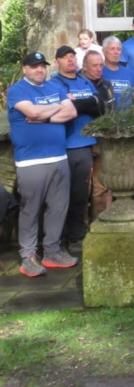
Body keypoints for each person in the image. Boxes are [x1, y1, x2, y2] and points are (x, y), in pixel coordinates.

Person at [7, 51, 79, 277]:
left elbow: (72, 111)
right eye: (34, 66)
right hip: (31, 161)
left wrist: (45, 116)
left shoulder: (54, 86)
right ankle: (28, 255)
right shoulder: (18, 90)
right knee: (30, 209)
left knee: (58, 208)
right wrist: (56, 108)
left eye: (42, 66)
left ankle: (52, 251)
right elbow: (32, 111)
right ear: (25, 69)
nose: (40, 70)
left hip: (59, 157)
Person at [50, 45, 102, 247]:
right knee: (63, 194)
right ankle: (60, 237)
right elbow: (62, 108)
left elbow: (100, 106)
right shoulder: (54, 83)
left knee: (81, 193)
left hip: (86, 143)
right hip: (65, 145)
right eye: (65, 57)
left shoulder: (84, 81)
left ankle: (77, 234)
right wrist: (87, 102)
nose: (70, 60)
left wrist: (78, 102)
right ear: (57, 62)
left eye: (72, 56)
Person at [79, 50, 116, 220]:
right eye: (95, 65)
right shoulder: (78, 84)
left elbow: (111, 111)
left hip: (103, 141)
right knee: (83, 187)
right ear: (85, 67)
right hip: (82, 142)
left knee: (102, 186)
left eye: (101, 65)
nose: (99, 68)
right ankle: (82, 226)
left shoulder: (107, 85)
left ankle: (99, 222)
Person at [101, 36, 134, 111]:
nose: (116, 52)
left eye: (119, 49)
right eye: (112, 49)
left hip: (127, 120)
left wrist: (133, 114)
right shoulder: (98, 72)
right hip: (106, 120)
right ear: (104, 51)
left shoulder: (129, 73)